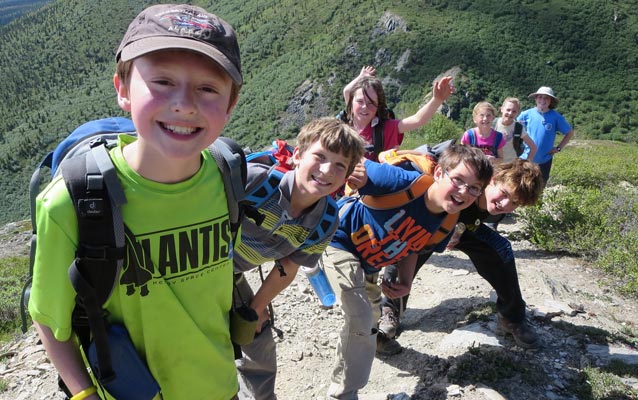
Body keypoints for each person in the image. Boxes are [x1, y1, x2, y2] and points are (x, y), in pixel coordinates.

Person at [28, 4, 243, 399]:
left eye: (208, 88)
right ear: (123, 90)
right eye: (162, 81)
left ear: (230, 105)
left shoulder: (227, 175)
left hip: (222, 386)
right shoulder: (70, 204)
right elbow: (48, 318)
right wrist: (83, 394)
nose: (184, 103)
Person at [322, 144, 493, 399]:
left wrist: (405, 281)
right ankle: (343, 393)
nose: (463, 191)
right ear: (438, 173)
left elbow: (414, 246)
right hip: (338, 240)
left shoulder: (446, 223)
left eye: (473, 188)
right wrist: (352, 176)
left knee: (370, 316)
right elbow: (356, 164)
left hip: (368, 265)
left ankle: (371, 341)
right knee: (360, 314)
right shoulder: (403, 182)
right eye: (457, 180)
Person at [233, 118, 365, 400]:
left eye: (340, 165)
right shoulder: (254, 182)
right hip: (190, 268)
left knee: (257, 344)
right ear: (296, 156)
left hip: (230, 277)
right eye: (320, 156)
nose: (327, 170)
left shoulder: (326, 221)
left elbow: (288, 266)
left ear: (345, 178)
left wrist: (257, 307)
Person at [379, 159, 545, 352]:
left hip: (463, 227)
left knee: (501, 250)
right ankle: (390, 308)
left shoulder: (496, 204)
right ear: (492, 180)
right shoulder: (470, 185)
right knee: (408, 249)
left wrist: (457, 230)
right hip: (428, 224)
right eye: (504, 193)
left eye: (515, 203)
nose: (505, 204)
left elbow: (472, 218)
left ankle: (512, 317)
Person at [341, 65, 454, 160]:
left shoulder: (386, 128)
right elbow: (347, 91)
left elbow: (418, 120)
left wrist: (437, 100)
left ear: (378, 105)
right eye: (360, 101)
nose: (365, 107)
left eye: (371, 103)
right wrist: (361, 78)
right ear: (351, 102)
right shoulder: (346, 121)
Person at [518, 86, 574, 184]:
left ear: (550, 100)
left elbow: (569, 132)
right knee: (521, 186)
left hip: (544, 160)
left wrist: (559, 148)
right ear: (536, 98)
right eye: (540, 97)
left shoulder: (556, 117)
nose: (542, 100)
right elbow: (514, 128)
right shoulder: (526, 114)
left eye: (546, 97)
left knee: (540, 188)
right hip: (525, 159)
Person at [494, 97, 538, 163]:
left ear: (518, 113)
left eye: (514, 111)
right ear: (502, 109)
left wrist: (526, 164)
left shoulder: (518, 128)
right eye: (508, 110)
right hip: (494, 165)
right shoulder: (492, 124)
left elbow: (533, 148)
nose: (510, 113)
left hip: (511, 166)